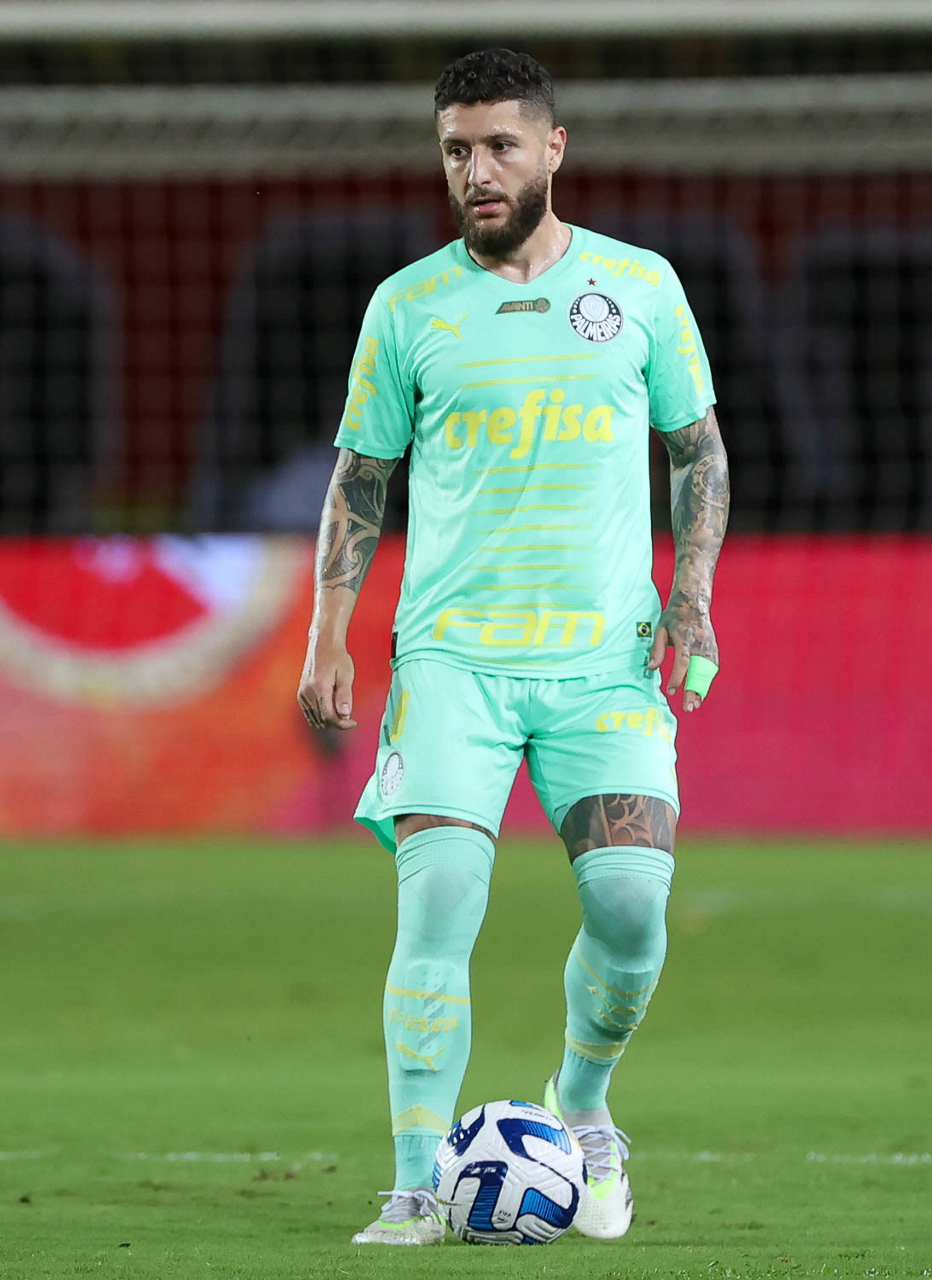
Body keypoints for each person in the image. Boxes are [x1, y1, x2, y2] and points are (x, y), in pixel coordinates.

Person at [297, 47, 728, 1246]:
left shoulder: (638, 287)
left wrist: (690, 595)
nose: (474, 170)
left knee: (632, 907)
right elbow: (360, 477)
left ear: (552, 148)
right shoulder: (407, 306)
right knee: (438, 903)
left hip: (603, 663)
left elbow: (696, 449)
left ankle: (579, 1103)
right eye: (455, 150)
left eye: (497, 145)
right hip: (453, 661)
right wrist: (328, 631)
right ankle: (413, 1182)